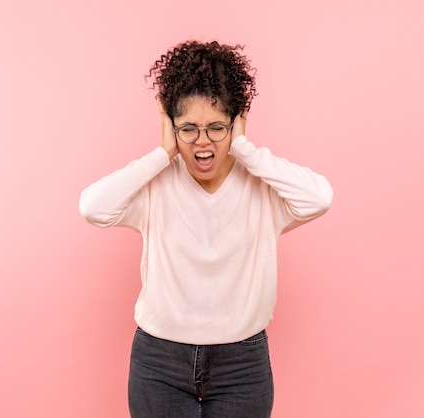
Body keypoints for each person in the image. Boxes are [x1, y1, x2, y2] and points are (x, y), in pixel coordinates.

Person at [79, 40, 333, 418]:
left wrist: (244, 147)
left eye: (217, 127)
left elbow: (320, 198)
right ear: (171, 126)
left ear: (236, 122)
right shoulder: (155, 185)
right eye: (188, 129)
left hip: (242, 366)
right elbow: (92, 207)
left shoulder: (262, 188)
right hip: (159, 364)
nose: (203, 142)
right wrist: (162, 153)